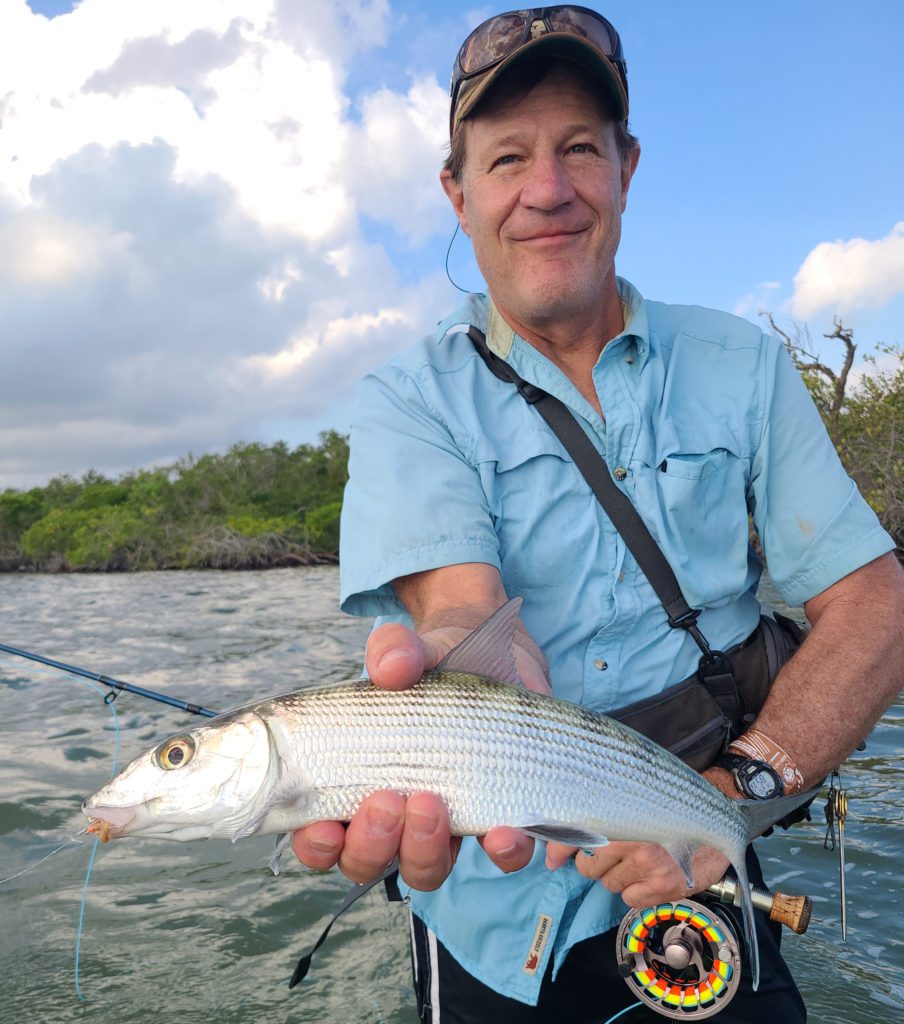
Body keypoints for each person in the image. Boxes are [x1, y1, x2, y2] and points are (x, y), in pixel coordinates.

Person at [292, 7, 904, 1022]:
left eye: (580, 148)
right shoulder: (406, 398)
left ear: (626, 164)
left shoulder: (740, 362)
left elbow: (873, 598)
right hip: (499, 916)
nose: (547, 190)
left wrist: (731, 798)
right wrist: (448, 655)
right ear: (456, 192)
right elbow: (464, 614)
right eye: (506, 159)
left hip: (707, 853)